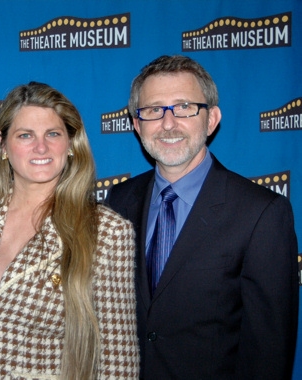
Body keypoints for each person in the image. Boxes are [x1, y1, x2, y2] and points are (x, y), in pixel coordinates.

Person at [104, 55, 299, 379]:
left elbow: (269, 351)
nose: (168, 124)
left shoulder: (261, 214)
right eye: (153, 110)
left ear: (211, 120)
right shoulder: (119, 201)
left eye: (184, 107)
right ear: (137, 125)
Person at [0, 82, 139, 379]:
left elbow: (117, 360)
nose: (41, 147)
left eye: (53, 134)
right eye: (25, 135)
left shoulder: (107, 232)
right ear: (3, 145)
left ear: (71, 144)